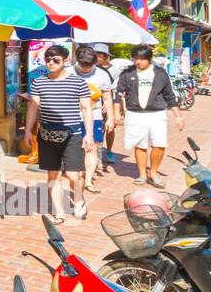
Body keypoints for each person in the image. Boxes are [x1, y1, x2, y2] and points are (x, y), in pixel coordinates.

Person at [24, 45, 95, 223]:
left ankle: (78, 200)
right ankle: (59, 211)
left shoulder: (78, 82)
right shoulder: (39, 82)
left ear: (65, 61)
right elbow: (33, 107)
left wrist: (89, 134)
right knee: (53, 175)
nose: (51, 63)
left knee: (73, 175)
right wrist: (27, 130)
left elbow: (86, 109)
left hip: (72, 134)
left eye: (55, 60)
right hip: (47, 134)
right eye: (48, 60)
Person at [114, 44, 184, 188]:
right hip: (135, 114)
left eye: (141, 59)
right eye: (135, 59)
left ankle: (153, 172)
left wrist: (178, 116)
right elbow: (118, 93)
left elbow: (169, 96)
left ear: (149, 59)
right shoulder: (127, 73)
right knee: (140, 144)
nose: (138, 62)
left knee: (159, 143)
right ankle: (142, 174)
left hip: (157, 114)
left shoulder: (160, 73)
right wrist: (116, 113)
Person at [72, 45, 114, 192]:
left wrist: (110, 118)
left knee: (92, 147)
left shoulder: (102, 75)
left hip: (94, 115)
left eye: (89, 66)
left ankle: (88, 180)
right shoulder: (68, 73)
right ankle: (76, 174)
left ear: (95, 62)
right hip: (71, 115)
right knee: (74, 147)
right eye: (83, 66)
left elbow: (108, 98)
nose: (85, 69)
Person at [93, 43, 124, 171]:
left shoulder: (115, 71)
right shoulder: (91, 68)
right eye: (95, 55)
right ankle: (96, 158)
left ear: (105, 56)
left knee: (109, 129)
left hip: (109, 102)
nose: (96, 58)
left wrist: (112, 106)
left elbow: (117, 90)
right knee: (97, 131)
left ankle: (109, 150)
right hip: (94, 103)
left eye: (99, 55)